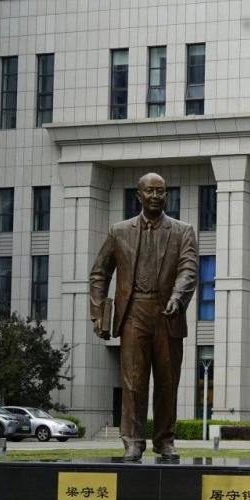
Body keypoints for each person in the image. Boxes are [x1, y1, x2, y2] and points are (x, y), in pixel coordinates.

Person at [89, 172, 199, 463]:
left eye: (160, 191)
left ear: (166, 195)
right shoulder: (119, 231)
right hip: (133, 313)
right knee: (133, 382)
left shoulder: (183, 231)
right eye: (149, 191)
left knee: (167, 382)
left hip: (167, 314)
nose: (155, 196)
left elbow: (189, 270)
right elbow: (100, 273)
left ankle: (164, 441)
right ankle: (133, 441)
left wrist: (178, 298)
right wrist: (99, 313)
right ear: (138, 195)